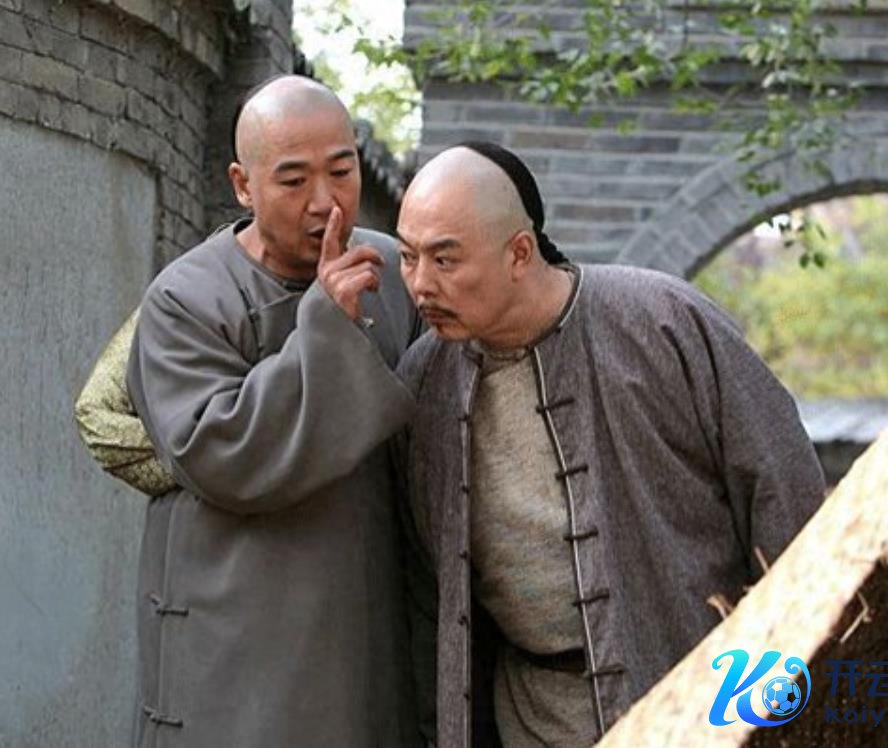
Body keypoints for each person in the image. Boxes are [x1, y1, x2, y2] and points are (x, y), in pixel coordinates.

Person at [393, 142, 828, 747]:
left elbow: (788, 499)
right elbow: (427, 588)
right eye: (407, 256)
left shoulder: (664, 322)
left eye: (445, 259)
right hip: (531, 719)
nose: (420, 284)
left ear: (519, 252)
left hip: (701, 705)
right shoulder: (425, 381)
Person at [75, 75, 421, 747]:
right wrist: (326, 326)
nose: (325, 202)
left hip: (366, 619)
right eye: (293, 180)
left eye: (342, 171)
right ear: (242, 184)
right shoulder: (187, 298)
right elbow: (224, 454)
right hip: (238, 626)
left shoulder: (390, 269)